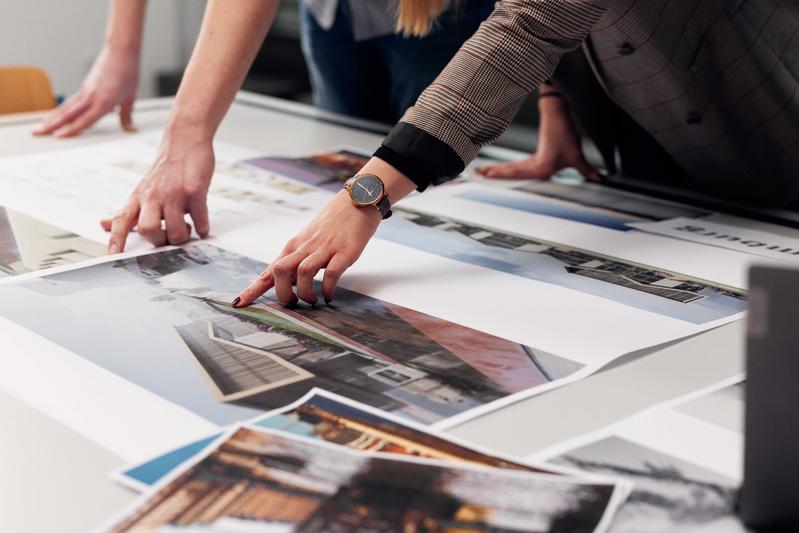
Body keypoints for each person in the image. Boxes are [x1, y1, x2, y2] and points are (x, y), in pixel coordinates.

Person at [231, 0, 799, 307]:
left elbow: (531, 23)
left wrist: (365, 196)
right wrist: (556, 107)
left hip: (761, 106)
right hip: (648, 105)